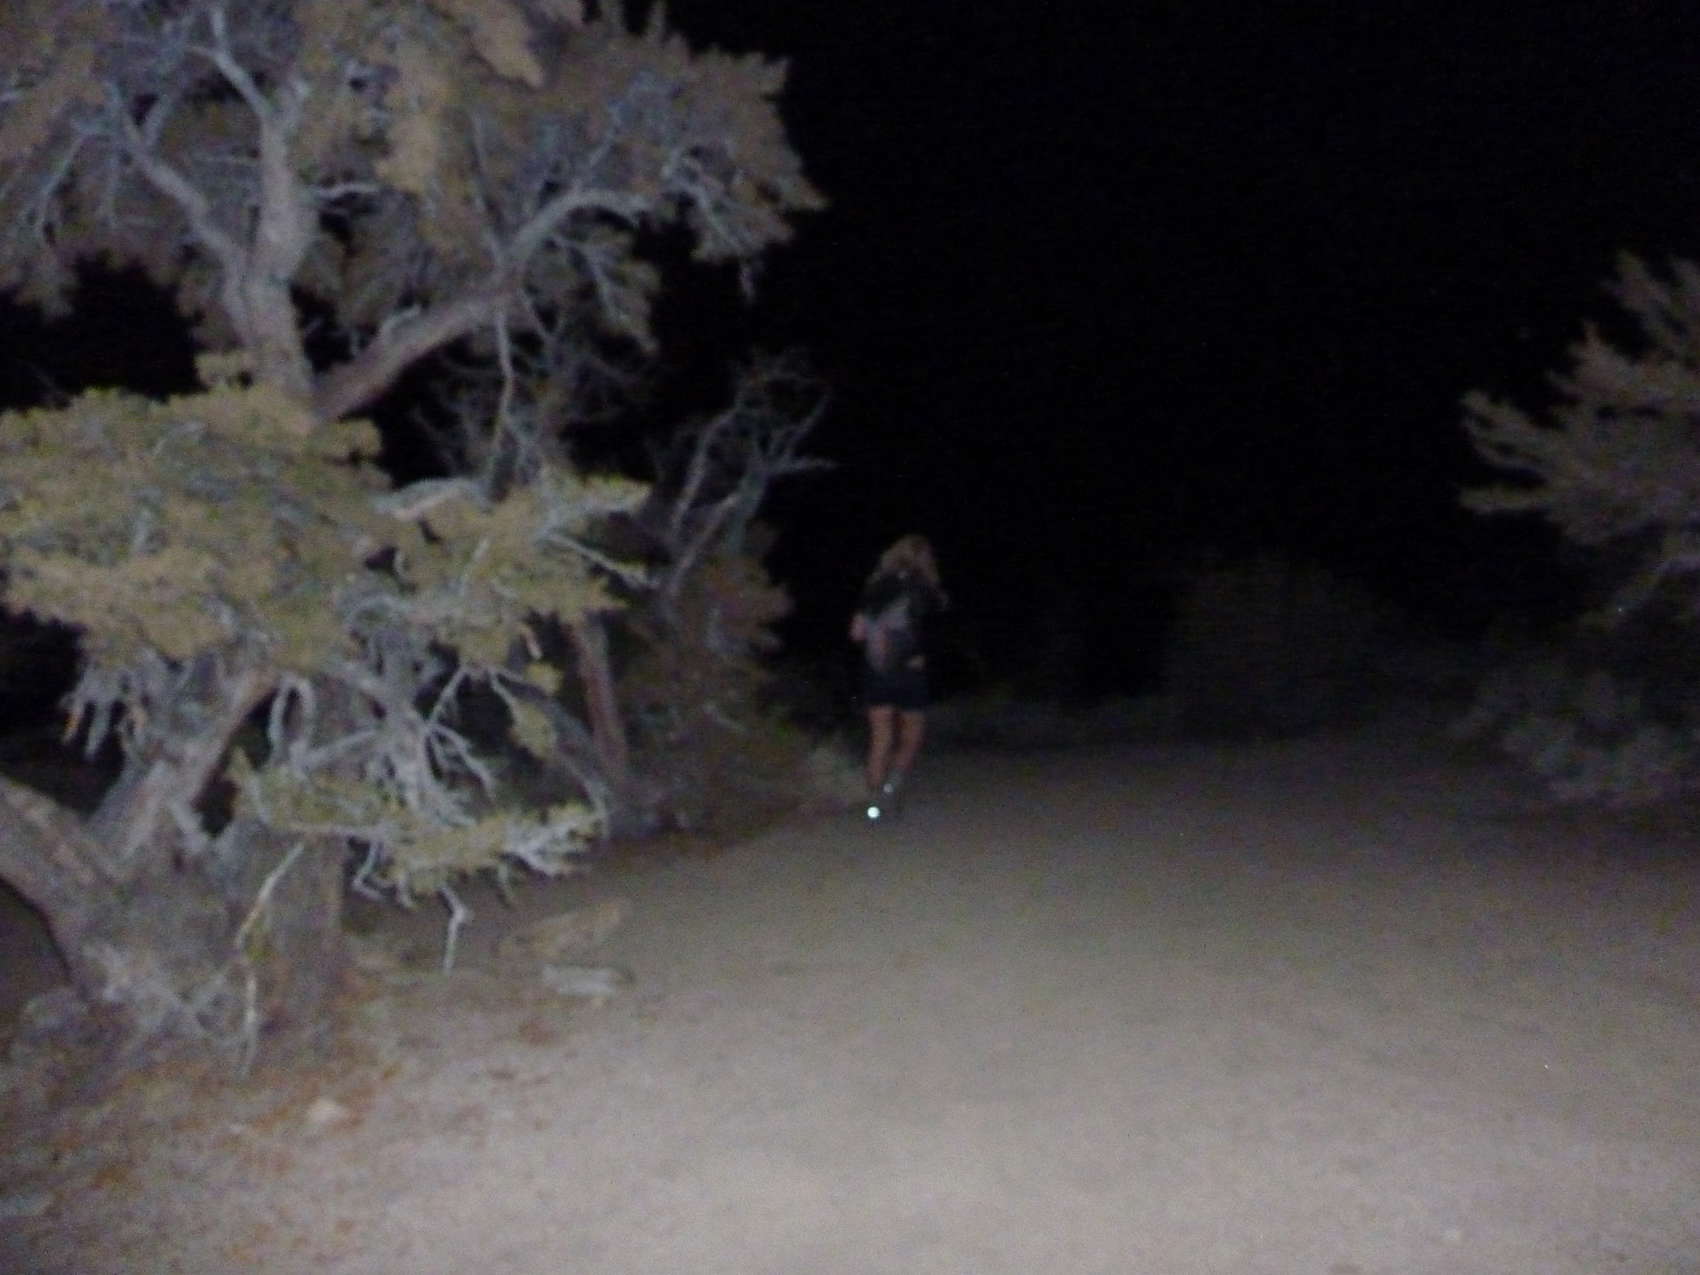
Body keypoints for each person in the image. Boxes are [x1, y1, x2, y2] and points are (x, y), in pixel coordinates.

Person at [849, 534, 947, 816]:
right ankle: (891, 787)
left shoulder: (875, 587)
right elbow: (933, 635)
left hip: (876, 670)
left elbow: (856, 633)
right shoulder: (927, 589)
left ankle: (874, 800)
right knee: (911, 735)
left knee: (880, 736)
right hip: (910, 672)